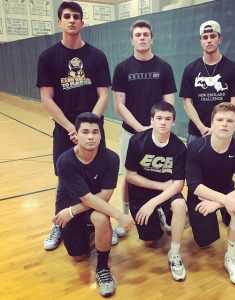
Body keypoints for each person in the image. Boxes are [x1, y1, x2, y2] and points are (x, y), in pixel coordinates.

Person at [36, 1, 112, 250]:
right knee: (64, 179)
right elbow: (46, 98)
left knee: (98, 177)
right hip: (65, 128)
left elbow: (103, 95)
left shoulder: (97, 56)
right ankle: (59, 223)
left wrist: (89, 127)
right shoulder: (48, 57)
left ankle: (101, 223)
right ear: (59, 21)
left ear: (82, 22)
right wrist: (72, 128)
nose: (71, 20)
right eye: (66, 16)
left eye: (76, 17)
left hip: (91, 129)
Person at [54, 112, 135, 297]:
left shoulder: (111, 158)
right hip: (67, 206)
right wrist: (119, 215)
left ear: (100, 134)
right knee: (78, 256)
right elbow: (87, 198)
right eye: (85, 132)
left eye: (95, 132)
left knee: (101, 218)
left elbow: (105, 195)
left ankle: (103, 268)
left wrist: (74, 212)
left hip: (82, 208)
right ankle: (71, 229)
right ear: (76, 134)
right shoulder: (65, 161)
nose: (90, 136)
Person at [112, 19, 177, 237]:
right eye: (137, 35)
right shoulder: (122, 68)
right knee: (129, 176)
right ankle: (125, 215)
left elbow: (169, 104)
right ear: (131, 40)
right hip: (131, 133)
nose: (141, 38)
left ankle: (160, 210)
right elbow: (119, 106)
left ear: (152, 38)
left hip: (158, 134)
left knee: (159, 173)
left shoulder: (164, 68)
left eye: (145, 34)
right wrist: (140, 128)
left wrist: (156, 129)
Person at [185, 102, 235, 286]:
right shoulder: (196, 147)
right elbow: (194, 185)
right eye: (220, 120)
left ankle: (231, 258)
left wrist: (219, 203)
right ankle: (191, 216)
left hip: (223, 193)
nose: (224, 124)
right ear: (212, 123)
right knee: (205, 242)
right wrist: (224, 201)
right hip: (200, 196)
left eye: (230, 121)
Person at [125, 102, 187, 281]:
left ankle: (174, 253)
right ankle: (161, 215)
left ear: (174, 122)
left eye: (168, 119)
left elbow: (178, 184)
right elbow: (130, 176)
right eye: (159, 118)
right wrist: (159, 188)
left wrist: (154, 202)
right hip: (143, 190)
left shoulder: (179, 147)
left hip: (167, 191)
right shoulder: (137, 141)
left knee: (180, 205)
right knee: (149, 241)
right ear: (151, 120)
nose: (163, 123)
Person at [180, 20, 235, 144]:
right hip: (197, 133)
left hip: (223, 132)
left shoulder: (233, 68)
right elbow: (187, 103)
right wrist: (202, 128)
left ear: (220, 39)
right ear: (201, 42)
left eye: (212, 36)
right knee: (194, 164)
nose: (209, 40)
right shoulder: (190, 69)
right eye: (205, 37)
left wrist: (217, 128)